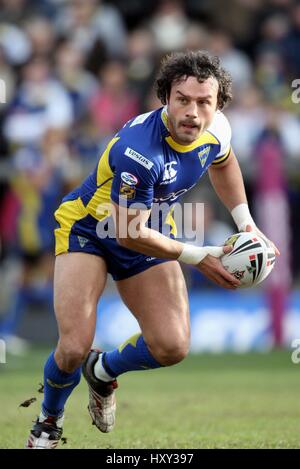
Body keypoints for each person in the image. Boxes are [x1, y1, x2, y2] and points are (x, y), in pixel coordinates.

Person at [25, 51, 279, 449]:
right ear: (165, 98)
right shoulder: (138, 152)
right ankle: (48, 422)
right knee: (73, 346)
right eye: (182, 99)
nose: (193, 111)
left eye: (203, 102)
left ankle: (103, 369)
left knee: (172, 345)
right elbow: (126, 233)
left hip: (150, 227)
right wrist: (199, 257)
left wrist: (248, 226)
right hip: (91, 229)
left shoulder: (219, 130)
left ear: (217, 106)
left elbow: (224, 163)